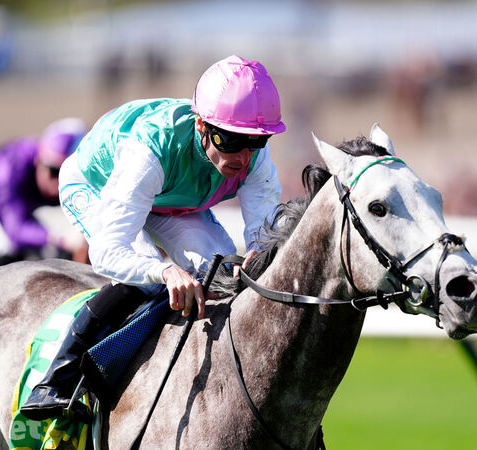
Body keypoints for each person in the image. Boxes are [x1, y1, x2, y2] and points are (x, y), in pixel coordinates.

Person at [20, 55, 285, 421]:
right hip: (98, 184)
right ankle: (56, 379)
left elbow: (263, 238)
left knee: (221, 273)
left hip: (169, 200)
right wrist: (164, 270)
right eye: (230, 140)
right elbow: (109, 252)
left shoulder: (255, 156)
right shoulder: (150, 150)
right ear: (201, 125)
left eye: (256, 141)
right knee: (144, 278)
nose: (242, 156)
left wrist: (258, 255)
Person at [0, 118, 88, 266]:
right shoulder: (12, 169)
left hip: (7, 215)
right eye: (55, 172)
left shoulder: (48, 165)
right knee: (10, 246)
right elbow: (15, 231)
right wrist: (61, 239)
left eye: (69, 175)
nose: (59, 183)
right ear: (39, 159)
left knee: (51, 251)